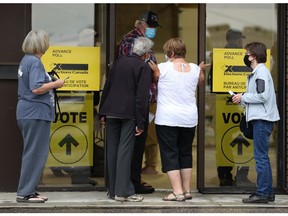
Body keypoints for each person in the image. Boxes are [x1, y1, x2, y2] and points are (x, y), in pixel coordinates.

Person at [149, 38, 209, 201]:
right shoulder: (196, 68)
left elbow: (154, 80)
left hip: (167, 118)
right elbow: (201, 82)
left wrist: (154, 68)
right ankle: (187, 190)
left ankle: (177, 192)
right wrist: (202, 69)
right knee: (185, 153)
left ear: (171, 53)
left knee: (170, 154)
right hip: (189, 118)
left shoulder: (162, 68)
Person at [99, 37, 154, 202]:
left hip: (111, 111)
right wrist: (141, 121)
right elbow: (142, 97)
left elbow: (107, 87)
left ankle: (113, 190)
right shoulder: (143, 67)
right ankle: (123, 192)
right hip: (129, 113)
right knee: (125, 151)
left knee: (113, 151)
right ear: (146, 54)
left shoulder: (118, 63)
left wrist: (102, 113)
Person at [16, 30, 65, 203]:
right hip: (35, 113)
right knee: (35, 153)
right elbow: (36, 88)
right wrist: (57, 83)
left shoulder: (26, 61)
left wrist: (48, 80)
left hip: (28, 112)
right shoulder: (35, 62)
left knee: (32, 152)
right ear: (42, 45)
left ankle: (29, 190)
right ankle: (25, 192)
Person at [117, 10, 161, 194]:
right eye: (151, 26)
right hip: (136, 100)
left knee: (141, 142)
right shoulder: (130, 41)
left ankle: (134, 179)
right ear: (142, 24)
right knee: (135, 143)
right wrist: (155, 72)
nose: (153, 30)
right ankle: (131, 182)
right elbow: (134, 69)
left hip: (145, 99)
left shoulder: (145, 42)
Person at [232, 42, 280, 203]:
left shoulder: (261, 73)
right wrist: (241, 98)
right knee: (261, 156)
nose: (245, 56)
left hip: (262, 119)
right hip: (260, 118)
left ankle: (263, 193)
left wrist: (243, 97)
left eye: (247, 53)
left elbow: (263, 96)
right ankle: (267, 192)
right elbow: (259, 96)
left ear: (253, 55)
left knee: (260, 157)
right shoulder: (257, 73)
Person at [210, 28, 253, 187]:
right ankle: (242, 176)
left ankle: (225, 176)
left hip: (223, 104)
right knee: (246, 138)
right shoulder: (243, 56)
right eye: (240, 39)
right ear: (236, 40)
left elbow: (211, 81)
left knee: (224, 141)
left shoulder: (220, 58)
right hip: (242, 105)